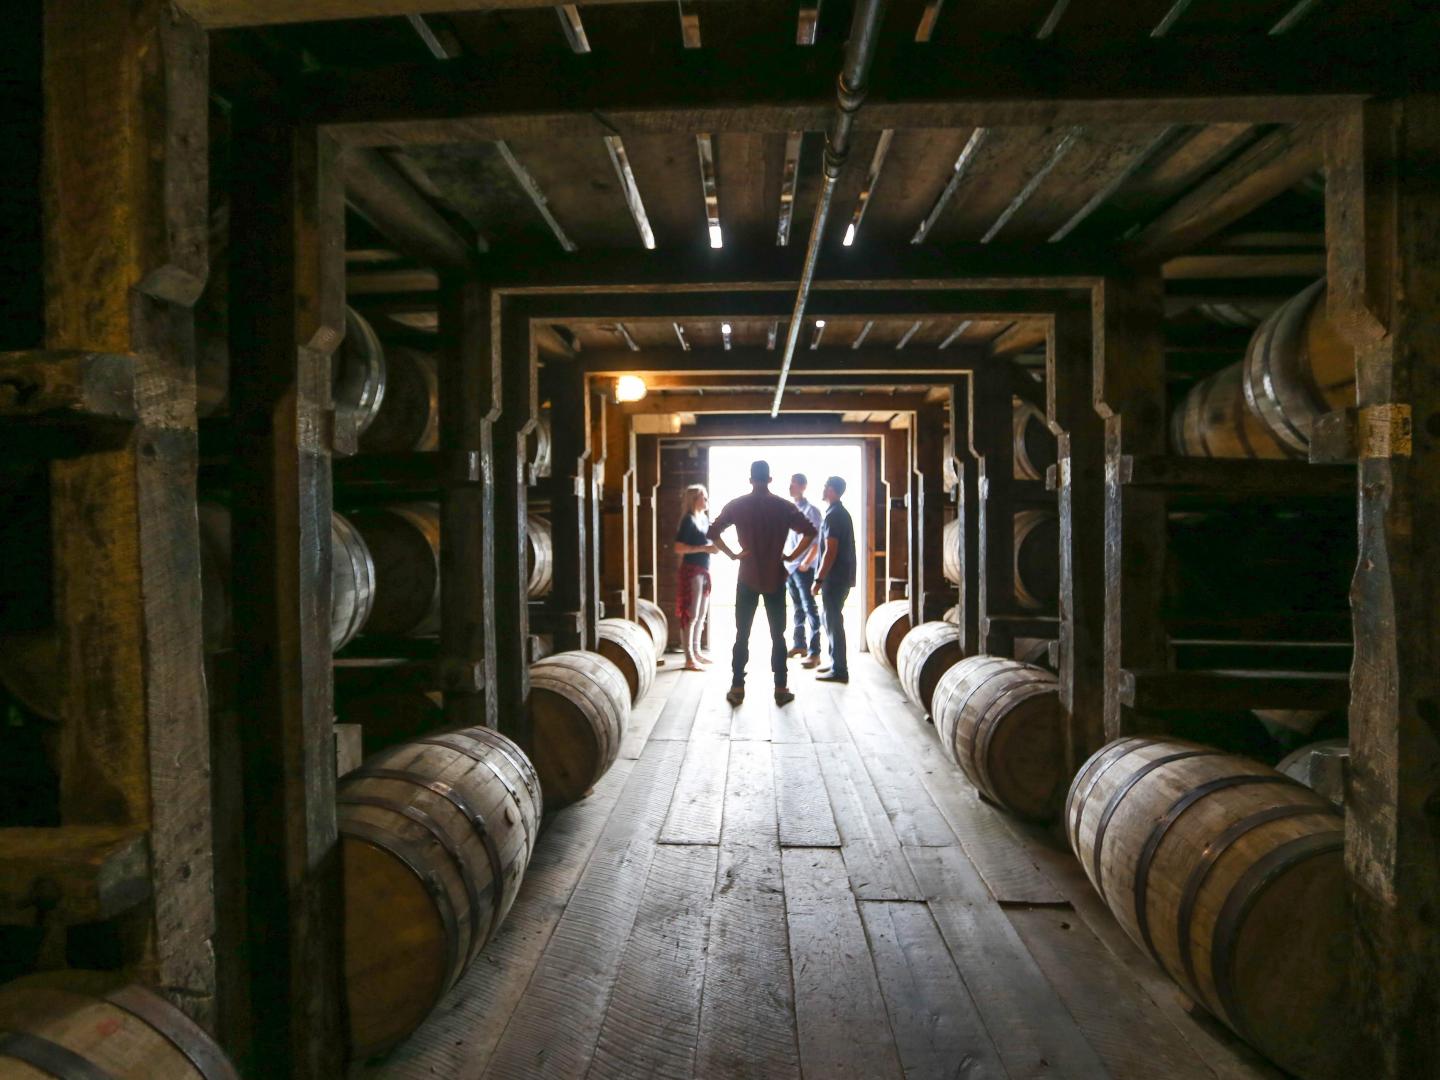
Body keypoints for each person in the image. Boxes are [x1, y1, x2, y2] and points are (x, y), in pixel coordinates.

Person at [708, 460, 818, 707]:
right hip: (775, 576)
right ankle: (781, 688)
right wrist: (790, 556)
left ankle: (737, 687)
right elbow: (811, 532)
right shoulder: (783, 507)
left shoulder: (737, 505)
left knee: (742, 634)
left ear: (750, 480)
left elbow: (713, 532)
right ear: (770, 479)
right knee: (778, 635)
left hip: (747, 576)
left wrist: (733, 554)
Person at [811, 475, 857, 683]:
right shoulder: (838, 512)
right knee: (830, 620)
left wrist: (819, 579)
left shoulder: (834, 515)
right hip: (839, 577)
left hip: (834, 578)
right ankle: (834, 663)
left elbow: (831, 550)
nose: (822, 489)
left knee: (833, 621)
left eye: (824, 486)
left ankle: (840, 669)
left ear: (831, 489)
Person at [673, 484, 718, 671]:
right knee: (690, 614)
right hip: (691, 570)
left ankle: (697, 652)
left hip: (704, 569)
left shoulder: (704, 519)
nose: (706, 500)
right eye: (703, 497)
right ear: (694, 500)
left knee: (701, 614)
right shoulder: (688, 520)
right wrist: (704, 549)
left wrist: (712, 548)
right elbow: (678, 547)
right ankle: (689, 658)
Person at [784, 473, 823, 667]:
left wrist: (806, 563)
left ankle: (815, 653)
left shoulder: (812, 511)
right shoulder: (792, 511)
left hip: (803, 567)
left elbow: (816, 541)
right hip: (790, 567)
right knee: (797, 608)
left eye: (793, 484)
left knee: (810, 608)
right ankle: (800, 645)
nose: (790, 488)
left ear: (802, 487)